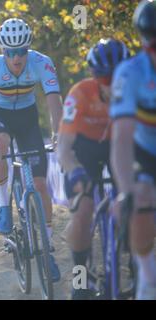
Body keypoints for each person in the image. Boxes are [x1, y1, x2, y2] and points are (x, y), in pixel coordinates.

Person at [0, 18, 63, 281]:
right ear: (3, 51)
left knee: (40, 184)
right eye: (10, 53)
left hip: (27, 119)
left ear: (28, 49)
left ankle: (47, 247)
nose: (16, 58)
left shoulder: (42, 62)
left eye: (21, 52)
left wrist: (58, 134)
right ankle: (3, 205)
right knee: (0, 145)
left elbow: (54, 104)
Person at [57, 39, 130, 299]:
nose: (110, 83)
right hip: (82, 152)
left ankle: (135, 263)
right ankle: (79, 277)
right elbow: (64, 148)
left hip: (117, 147)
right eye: (104, 77)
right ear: (94, 75)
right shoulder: (79, 94)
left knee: (135, 202)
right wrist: (75, 171)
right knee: (83, 210)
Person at [110, 0, 156, 300]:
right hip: (143, 151)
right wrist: (126, 189)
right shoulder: (130, 72)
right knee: (140, 199)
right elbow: (122, 138)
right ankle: (147, 278)